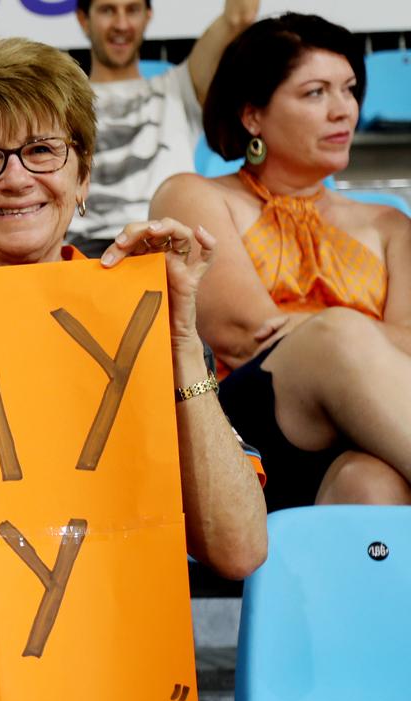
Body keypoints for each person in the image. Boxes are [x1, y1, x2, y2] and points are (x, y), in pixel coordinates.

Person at [0, 39, 267, 579]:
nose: (15, 179)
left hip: (111, 646)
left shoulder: (143, 318)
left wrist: (176, 337)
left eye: (41, 151)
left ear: (82, 177)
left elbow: (237, 549)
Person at [150, 13, 411, 509]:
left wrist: (319, 332)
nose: (344, 111)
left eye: (349, 89)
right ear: (253, 115)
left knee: (372, 484)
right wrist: (341, 334)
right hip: (244, 433)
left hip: (365, 439)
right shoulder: (193, 195)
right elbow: (244, 334)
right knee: (338, 334)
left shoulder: (392, 224)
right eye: (316, 93)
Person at [0, 0, 259, 256]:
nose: (121, 23)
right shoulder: (54, 101)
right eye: (107, 10)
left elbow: (240, 16)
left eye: (132, 10)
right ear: (83, 19)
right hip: (79, 262)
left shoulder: (180, 88)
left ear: (148, 17)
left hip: (164, 253)